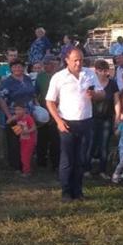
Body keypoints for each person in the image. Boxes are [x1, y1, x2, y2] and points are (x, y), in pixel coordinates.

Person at [45, 48, 98, 201]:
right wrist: (59, 121)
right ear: (67, 60)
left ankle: (78, 190)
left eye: (80, 59)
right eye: (75, 60)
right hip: (67, 122)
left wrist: (95, 94)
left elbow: (101, 93)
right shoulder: (59, 77)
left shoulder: (89, 73)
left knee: (81, 158)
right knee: (67, 158)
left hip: (86, 121)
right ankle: (66, 191)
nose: (78, 63)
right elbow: (50, 101)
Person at [0, 60, 36, 171]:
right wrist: (9, 116)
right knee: (15, 140)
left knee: (27, 139)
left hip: (28, 115)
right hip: (14, 116)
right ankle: (16, 165)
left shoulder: (27, 79)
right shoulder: (7, 82)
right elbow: (2, 100)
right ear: (11, 68)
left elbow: (32, 94)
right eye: (15, 67)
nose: (18, 69)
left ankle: (26, 163)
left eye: (20, 66)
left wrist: (37, 107)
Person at [89, 60, 116, 177]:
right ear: (96, 71)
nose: (102, 73)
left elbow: (117, 101)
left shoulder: (113, 84)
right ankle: (87, 168)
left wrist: (118, 116)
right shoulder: (91, 84)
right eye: (100, 70)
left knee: (104, 144)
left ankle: (103, 170)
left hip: (107, 117)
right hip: (92, 117)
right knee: (91, 143)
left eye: (105, 70)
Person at [35, 55, 60, 170]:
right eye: (44, 64)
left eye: (48, 64)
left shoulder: (60, 76)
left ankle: (55, 162)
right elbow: (35, 93)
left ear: (54, 64)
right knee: (42, 137)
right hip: (43, 111)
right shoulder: (40, 77)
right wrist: (39, 108)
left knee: (55, 138)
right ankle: (41, 161)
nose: (45, 66)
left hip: (58, 111)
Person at [10, 103, 37, 177]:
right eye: (16, 110)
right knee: (23, 156)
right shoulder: (17, 119)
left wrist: (27, 131)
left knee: (26, 156)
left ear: (24, 110)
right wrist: (12, 119)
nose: (17, 112)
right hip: (22, 140)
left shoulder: (28, 118)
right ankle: (27, 169)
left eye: (19, 109)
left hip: (29, 140)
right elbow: (10, 124)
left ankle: (26, 172)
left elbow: (34, 128)